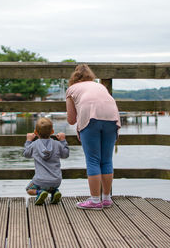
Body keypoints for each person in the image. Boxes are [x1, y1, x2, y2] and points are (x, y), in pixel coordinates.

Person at [66, 64, 121, 210]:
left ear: (74, 78)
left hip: (90, 119)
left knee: (93, 160)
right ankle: (107, 198)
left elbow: (71, 120)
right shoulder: (101, 86)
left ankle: (95, 201)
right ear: (91, 77)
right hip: (112, 117)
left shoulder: (72, 89)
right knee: (107, 159)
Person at [23, 117, 70, 205]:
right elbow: (65, 155)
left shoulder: (34, 145)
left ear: (36, 132)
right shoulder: (57, 144)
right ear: (52, 132)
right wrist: (63, 141)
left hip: (40, 181)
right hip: (56, 181)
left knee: (28, 189)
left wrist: (28, 141)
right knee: (51, 186)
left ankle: (39, 193)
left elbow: (26, 154)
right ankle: (54, 192)